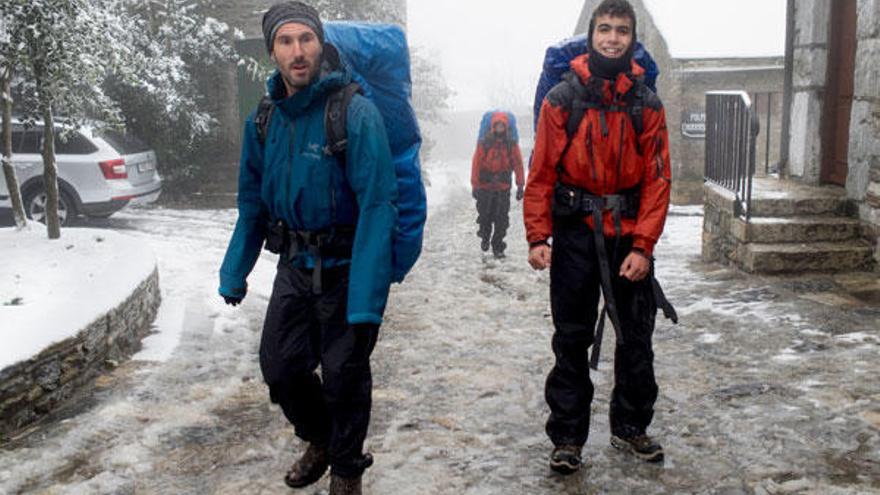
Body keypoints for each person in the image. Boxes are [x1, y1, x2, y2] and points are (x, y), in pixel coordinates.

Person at [217, 2, 398, 493]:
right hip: (294, 267)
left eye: (306, 40)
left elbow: (379, 207)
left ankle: (345, 470)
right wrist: (236, 270)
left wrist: (365, 300)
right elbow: (251, 201)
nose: (298, 52)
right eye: (285, 41)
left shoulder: (353, 113)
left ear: (321, 44)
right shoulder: (265, 119)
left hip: (346, 268)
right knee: (279, 368)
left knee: (344, 375)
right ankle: (320, 438)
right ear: (272, 51)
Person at [523, 0, 672, 473]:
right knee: (570, 338)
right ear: (592, 36)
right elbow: (542, 171)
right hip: (575, 234)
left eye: (621, 30)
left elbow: (658, 178)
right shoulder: (562, 99)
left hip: (628, 235)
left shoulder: (645, 103)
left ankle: (631, 426)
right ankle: (567, 436)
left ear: (632, 38)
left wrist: (644, 246)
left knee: (636, 338)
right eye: (604, 29)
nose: (612, 38)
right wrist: (537, 236)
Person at [471, 111, 525, 258]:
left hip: (503, 187)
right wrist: (475, 185)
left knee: (502, 219)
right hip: (485, 186)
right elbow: (476, 163)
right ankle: (485, 236)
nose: (500, 128)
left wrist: (520, 185)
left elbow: (518, 164)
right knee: (485, 215)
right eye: (497, 125)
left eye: (502, 125)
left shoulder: (511, 144)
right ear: (493, 126)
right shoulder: (485, 143)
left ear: (506, 127)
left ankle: (498, 246)